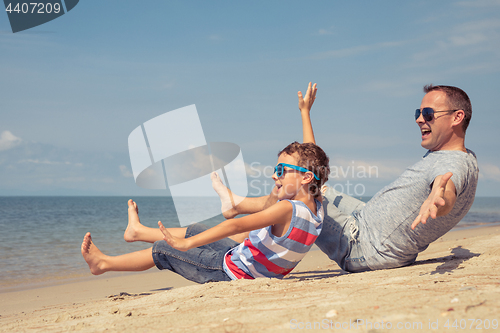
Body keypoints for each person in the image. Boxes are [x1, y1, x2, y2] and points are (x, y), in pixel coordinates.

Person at [214, 82, 479, 272]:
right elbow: (312, 168)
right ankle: (239, 212)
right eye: (418, 113)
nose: (420, 119)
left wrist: (439, 202)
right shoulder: (464, 158)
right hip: (367, 224)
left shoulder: (452, 163)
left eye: (429, 114)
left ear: (457, 118)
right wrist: (305, 113)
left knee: (306, 192)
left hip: (364, 247)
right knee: (316, 186)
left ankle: (236, 209)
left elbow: (445, 192)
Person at [81, 138, 330, 283]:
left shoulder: (287, 209)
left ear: (307, 178)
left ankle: (103, 264)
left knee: (165, 249)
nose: (274, 176)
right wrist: (305, 111)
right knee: (197, 230)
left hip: (229, 272)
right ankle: (137, 231)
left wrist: (187, 246)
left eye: (281, 171)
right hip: (244, 261)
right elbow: (314, 159)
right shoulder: (317, 207)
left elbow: (236, 225)